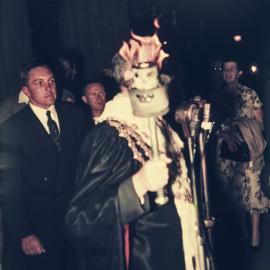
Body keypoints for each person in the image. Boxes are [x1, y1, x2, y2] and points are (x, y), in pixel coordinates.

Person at [65, 45, 201, 270]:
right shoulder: (110, 134)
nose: (162, 73)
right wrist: (138, 184)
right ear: (129, 76)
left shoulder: (159, 124)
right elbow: (80, 219)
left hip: (181, 251)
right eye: (153, 66)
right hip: (147, 261)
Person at [0, 59, 85, 270]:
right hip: (39, 227)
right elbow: (9, 190)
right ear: (26, 91)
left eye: (51, 81)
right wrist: (24, 232)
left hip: (75, 221)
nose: (48, 88)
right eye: (39, 83)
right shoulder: (12, 129)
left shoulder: (75, 117)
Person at [213, 59, 268, 248]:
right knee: (233, 194)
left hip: (249, 150)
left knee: (253, 192)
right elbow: (212, 126)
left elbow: (260, 125)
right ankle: (243, 230)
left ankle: (255, 235)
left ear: (239, 72)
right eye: (225, 69)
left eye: (232, 68)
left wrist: (241, 131)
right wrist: (225, 134)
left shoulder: (249, 94)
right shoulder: (217, 96)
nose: (228, 72)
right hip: (227, 153)